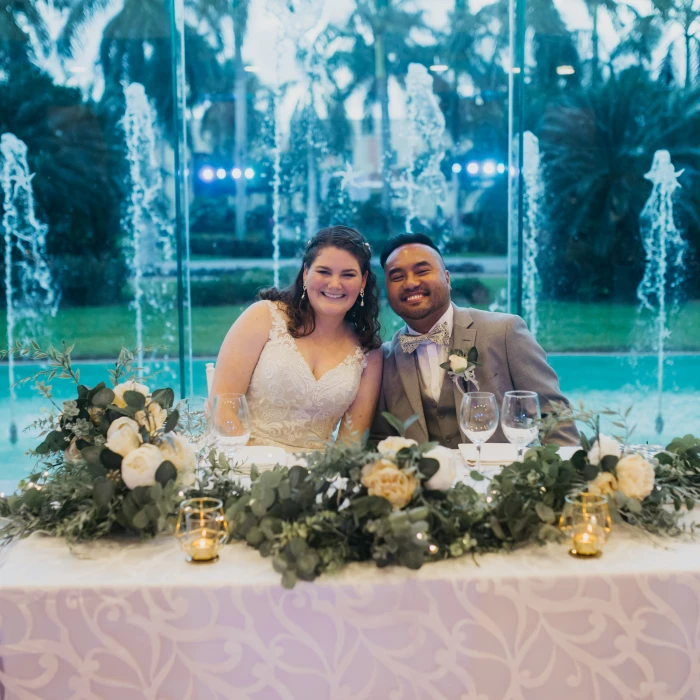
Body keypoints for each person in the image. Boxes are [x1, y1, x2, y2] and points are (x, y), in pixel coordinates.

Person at [370, 233, 578, 447]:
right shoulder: (385, 359)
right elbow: (378, 439)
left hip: (501, 477)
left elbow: (554, 417)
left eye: (422, 271)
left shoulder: (505, 332)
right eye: (397, 277)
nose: (411, 283)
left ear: (447, 279)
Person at [210, 225, 384, 451]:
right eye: (324, 271)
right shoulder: (263, 316)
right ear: (305, 273)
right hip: (245, 464)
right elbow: (222, 410)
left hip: (317, 476)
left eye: (348, 275)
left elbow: (350, 443)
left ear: (363, 281)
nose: (334, 284)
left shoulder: (370, 352)